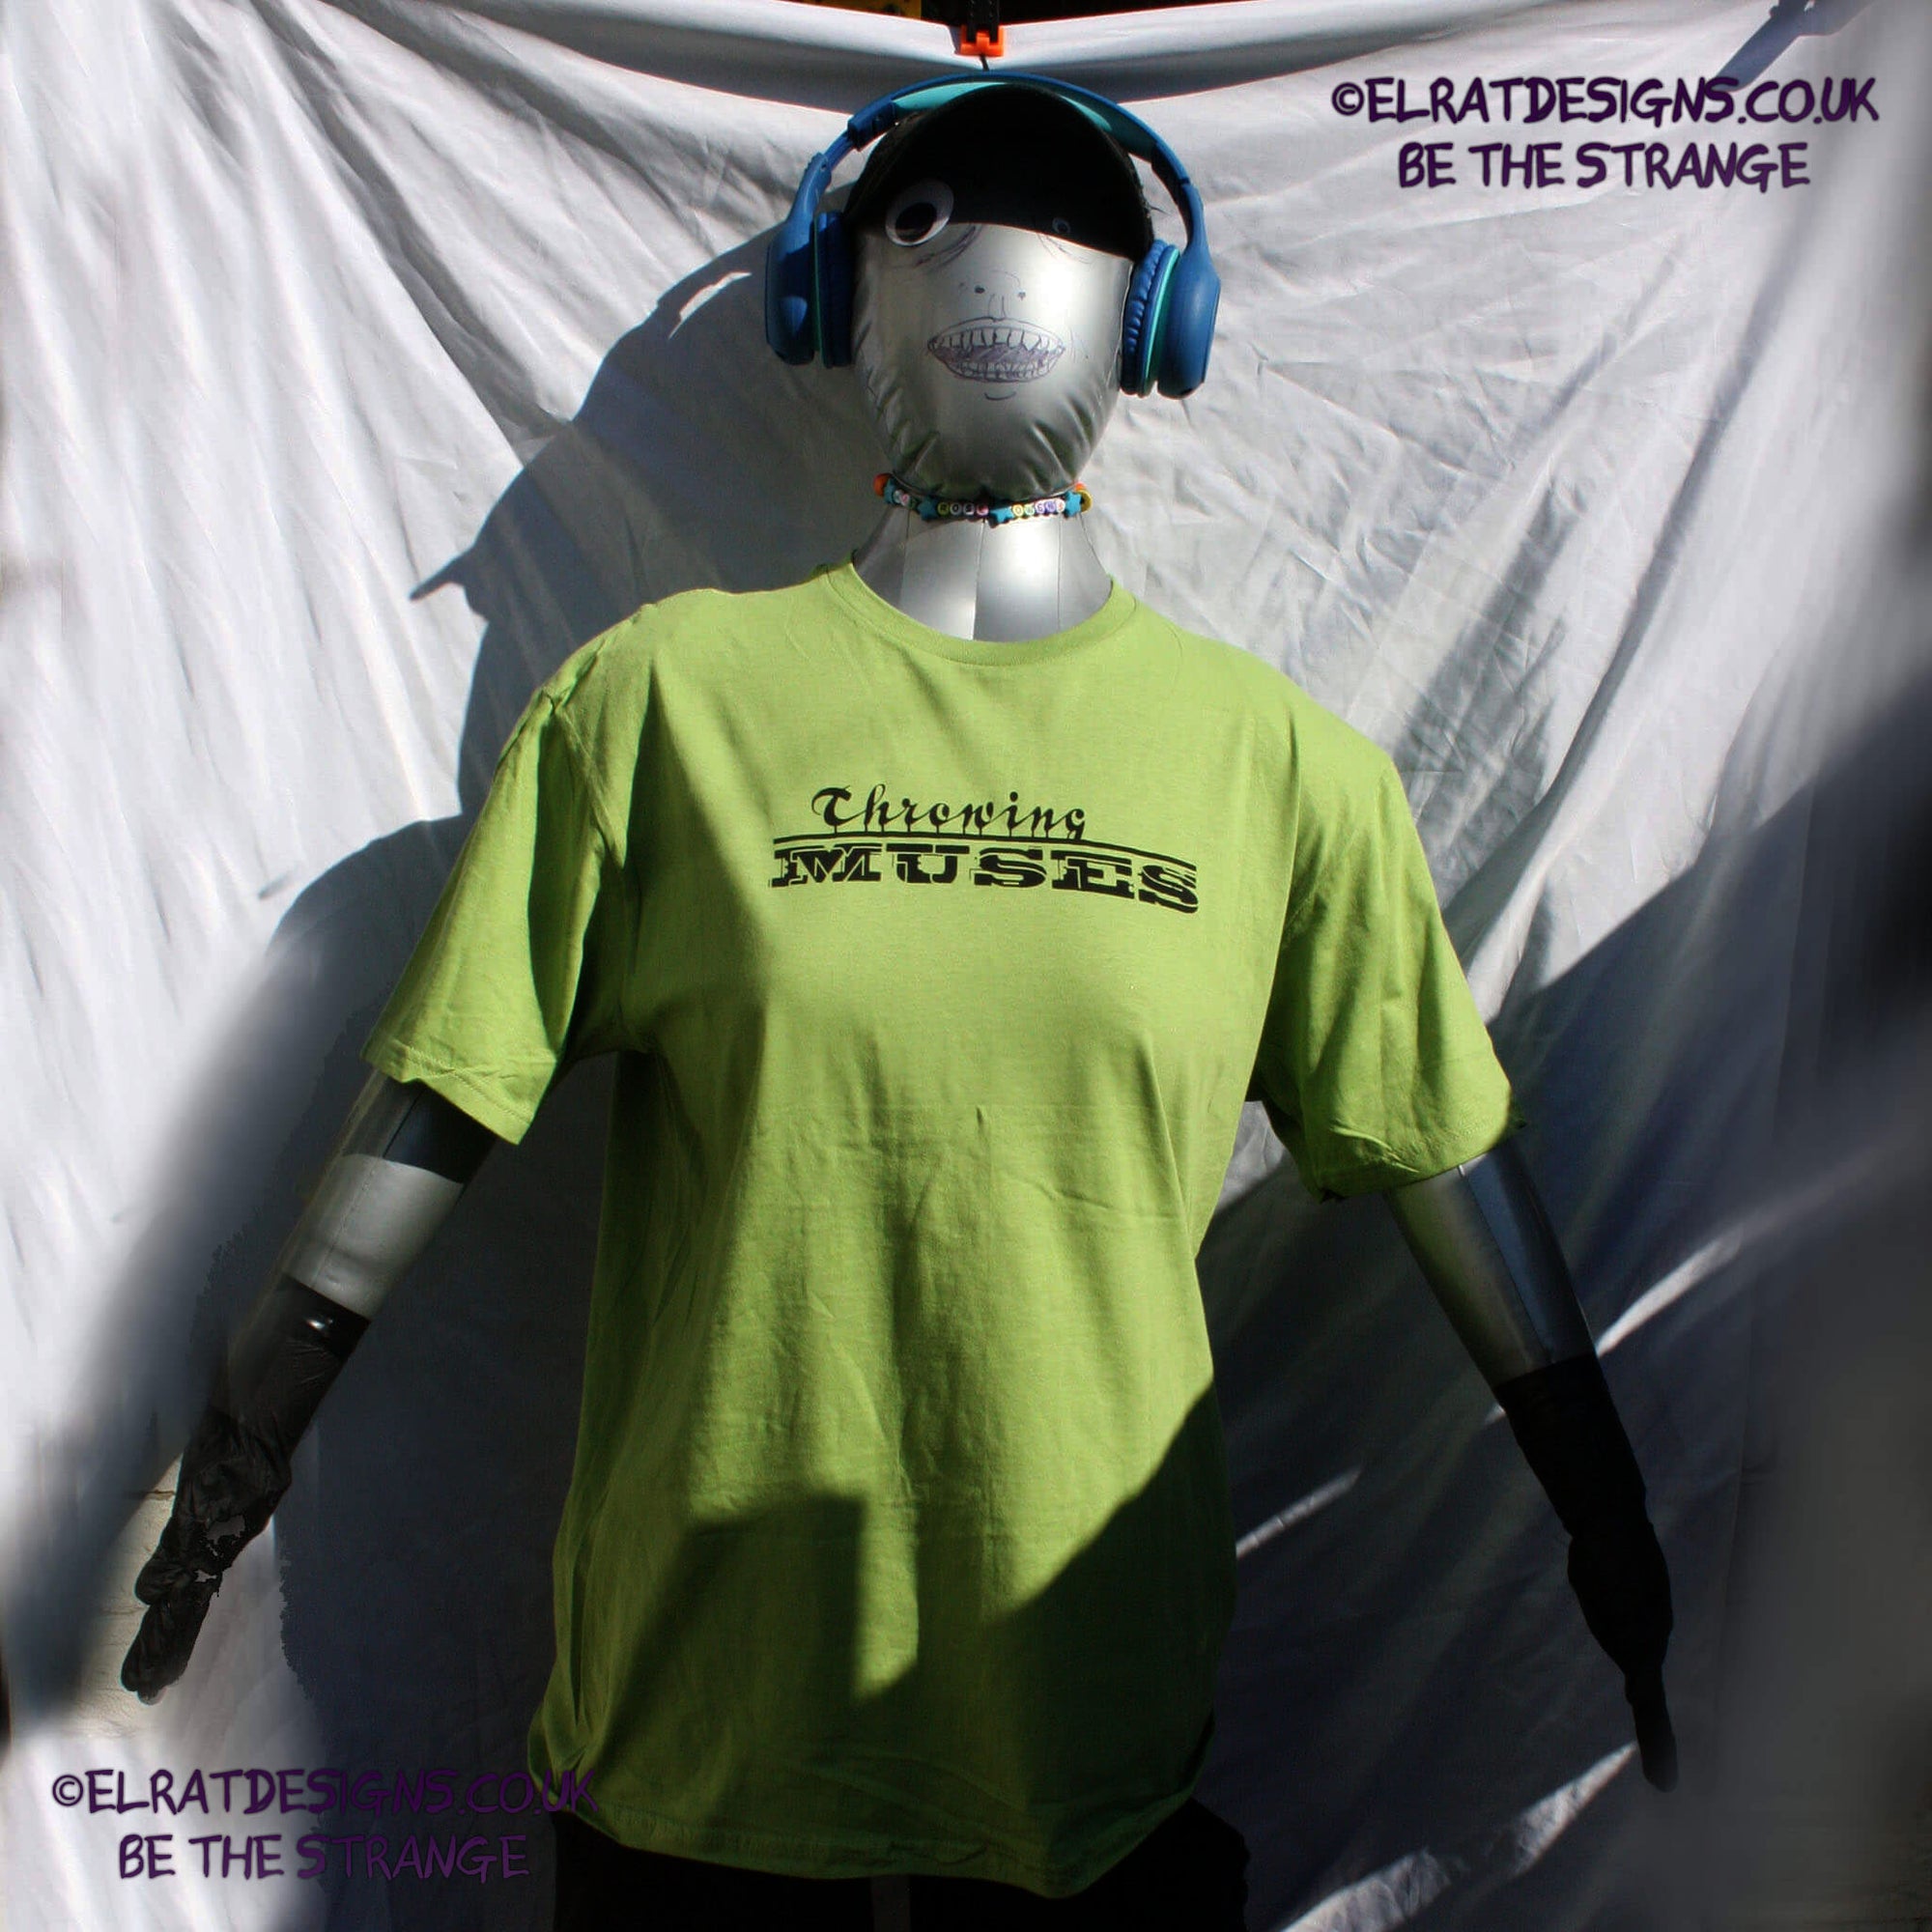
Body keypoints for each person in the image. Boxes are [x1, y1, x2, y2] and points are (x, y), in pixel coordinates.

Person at [108, 77, 1674, 1930]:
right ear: (838, 304)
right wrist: (231, 1470)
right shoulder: (660, 707)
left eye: (1039, 239)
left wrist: (1606, 1508)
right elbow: (437, 1105)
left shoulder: (1281, 776)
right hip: (696, 1745)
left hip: (1082, 1751)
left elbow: (1446, 1159)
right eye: (931, 230)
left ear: (1152, 331)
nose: (986, 285)